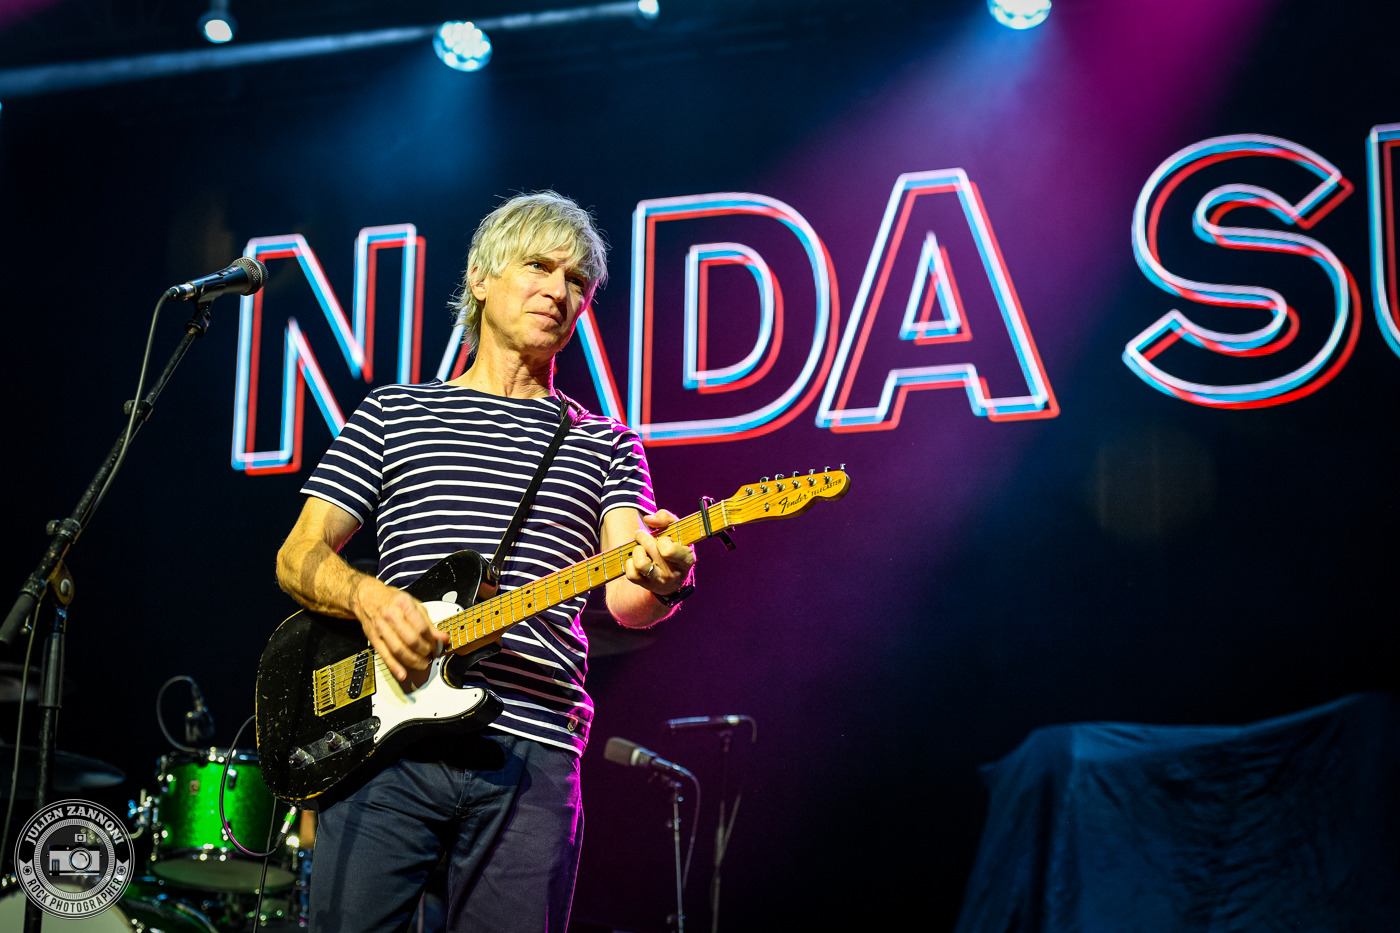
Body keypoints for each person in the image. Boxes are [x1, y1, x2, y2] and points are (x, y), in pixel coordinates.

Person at [274, 191, 696, 933]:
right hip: (387, 740)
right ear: (479, 277)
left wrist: (667, 578)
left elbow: (628, 594)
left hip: (533, 751)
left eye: (576, 281)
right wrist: (372, 600)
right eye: (539, 266)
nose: (559, 291)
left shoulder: (606, 443)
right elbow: (297, 555)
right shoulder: (393, 412)